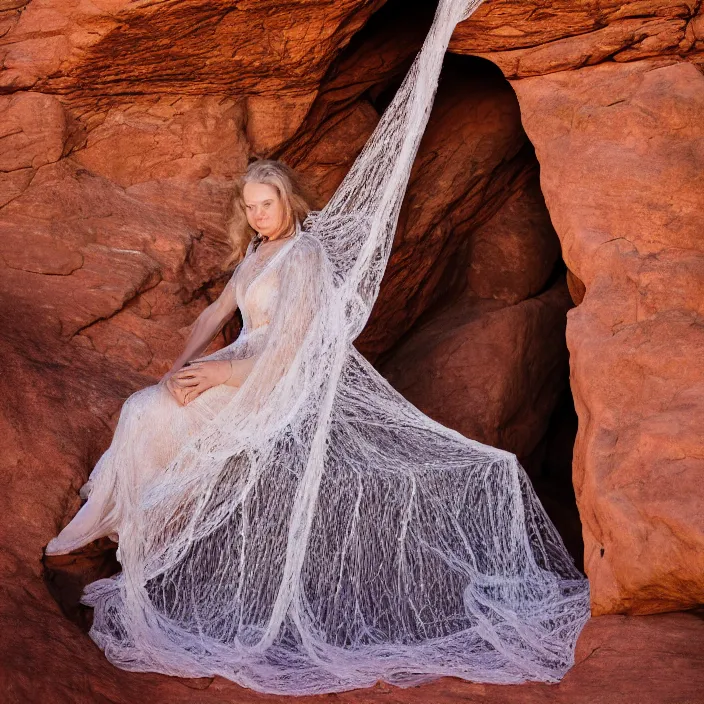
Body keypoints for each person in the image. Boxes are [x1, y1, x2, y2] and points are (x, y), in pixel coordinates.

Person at [45, 0, 590, 694]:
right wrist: (185, 363)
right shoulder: (254, 257)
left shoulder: (302, 259)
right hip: (234, 366)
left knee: (153, 418)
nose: (258, 213)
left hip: (268, 385)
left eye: (266, 204)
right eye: (249, 206)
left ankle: (124, 544)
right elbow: (216, 311)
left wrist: (220, 381)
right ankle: (119, 534)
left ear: (289, 203)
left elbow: (289, 353)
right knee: (144, 406)